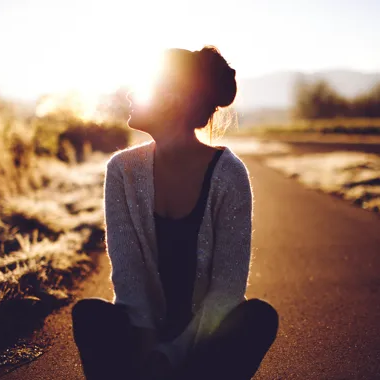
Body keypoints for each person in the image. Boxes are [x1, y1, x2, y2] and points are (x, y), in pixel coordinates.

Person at [71, 46, 278, 380]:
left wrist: (172, 355)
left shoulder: (229, 175)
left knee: (258, 317)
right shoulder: (122, 170)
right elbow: (128, 277)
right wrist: (148, 349)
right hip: (141, 337)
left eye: (144, 86)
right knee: (90, 315)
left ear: (173, 99)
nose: (130, 93)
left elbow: (227, 288)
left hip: (206, 344)